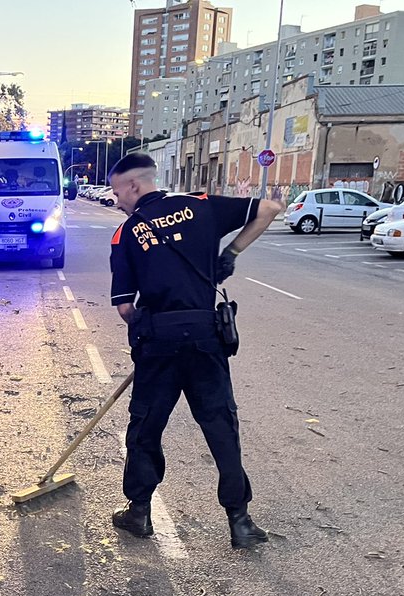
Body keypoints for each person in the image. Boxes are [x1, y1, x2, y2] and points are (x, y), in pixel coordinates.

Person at [106, 152, 281, 549]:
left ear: (134, 186)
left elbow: (124, 307)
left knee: (146, 428)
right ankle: (240, 522)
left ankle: (139, 513)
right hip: (205, 338)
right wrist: (230, 254)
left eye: (118, 192)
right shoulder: (202, 205)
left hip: (159, 346)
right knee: (221, 427)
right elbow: (269, 208)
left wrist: (151, 332)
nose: (117, 201)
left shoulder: (127, 232)